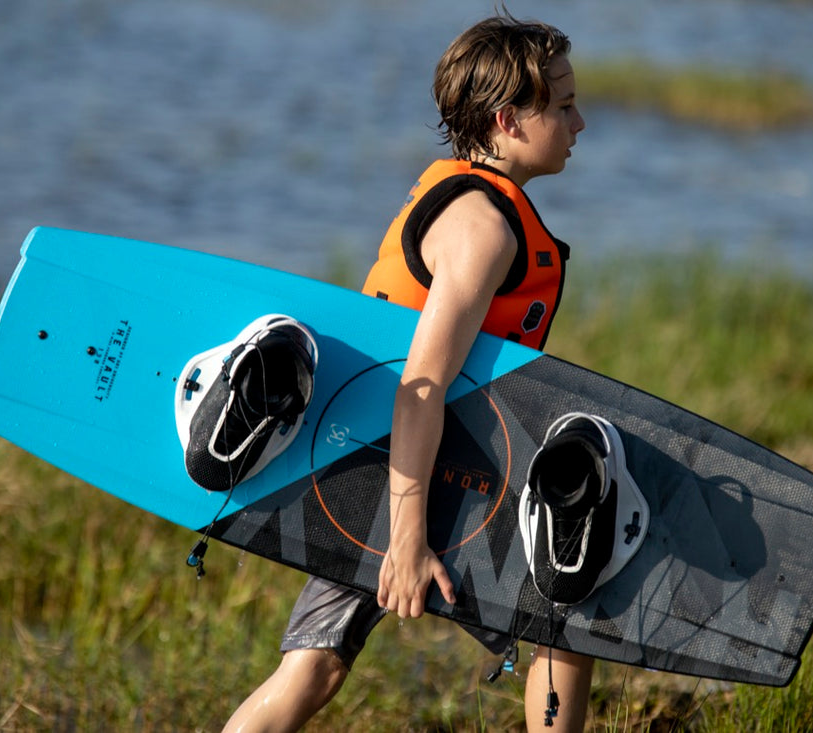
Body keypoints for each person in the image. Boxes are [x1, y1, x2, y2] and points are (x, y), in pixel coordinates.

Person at [223, 12, 589, 732]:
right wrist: (408, 539)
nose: (581, 122)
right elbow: (420, 387)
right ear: (508, 120)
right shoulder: (482, 230)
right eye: (565, 104)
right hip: (412, 472)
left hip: (358, 463)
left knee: (313, 666)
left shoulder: (466, 199)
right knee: (562, 630)